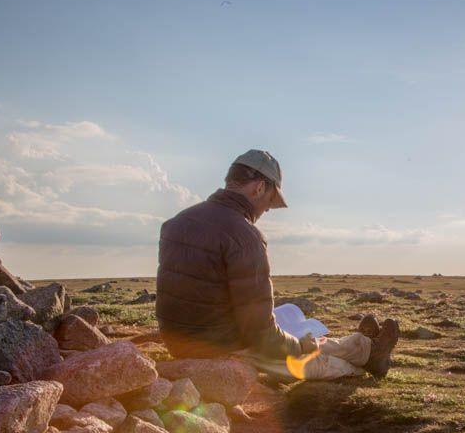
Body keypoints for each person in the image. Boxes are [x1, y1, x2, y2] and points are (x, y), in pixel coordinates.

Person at [156, 149, 399, 380]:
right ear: (260, 188)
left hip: (180, 341)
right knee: (313, 360)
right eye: (270, 201)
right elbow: (260, 334)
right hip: (222, 347)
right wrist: (301, 346)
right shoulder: (245, 236)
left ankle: (362, 346)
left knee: (291, 334)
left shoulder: (176, 223)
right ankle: (366, 362)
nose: (267, 210)